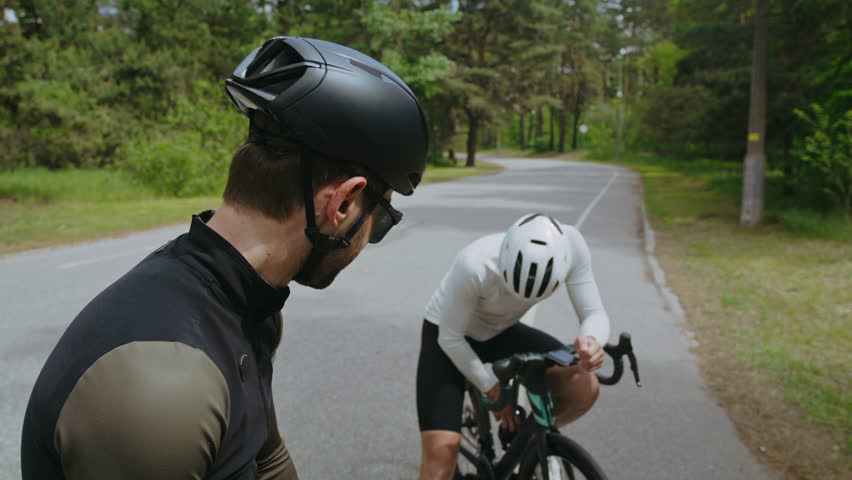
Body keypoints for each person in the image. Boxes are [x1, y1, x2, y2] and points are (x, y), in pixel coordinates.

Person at [21, 36, 428, 480]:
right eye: (382, 217)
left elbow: (268, 461)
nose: (372, 237)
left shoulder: (250, 307)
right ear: (344, 205)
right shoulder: (164, 386)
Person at [417, 213, 611, 479]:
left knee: (582, 385)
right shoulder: (475, 263)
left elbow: (594, 314)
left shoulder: (572, 246)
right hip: (449, 336)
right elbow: (450, 338)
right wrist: (493, 391)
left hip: (503, 330)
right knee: (440, 462)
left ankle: (528, 442)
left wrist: (592, 341)